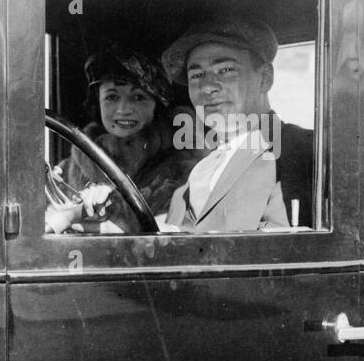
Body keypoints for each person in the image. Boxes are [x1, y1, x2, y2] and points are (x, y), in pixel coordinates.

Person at [158, 18, 315, 232]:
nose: (207, 87)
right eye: (196, 75)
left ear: (265, 78)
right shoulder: (198, 174)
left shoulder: (301, 149)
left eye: (226, 70)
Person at [45, 48, 193, 234]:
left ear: (157, 105)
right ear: (97, 103)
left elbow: (163, 239)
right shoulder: (67, 171)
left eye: (138, 97)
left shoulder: (181, 171)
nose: (123, 109)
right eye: (112, 97)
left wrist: (73, 218)